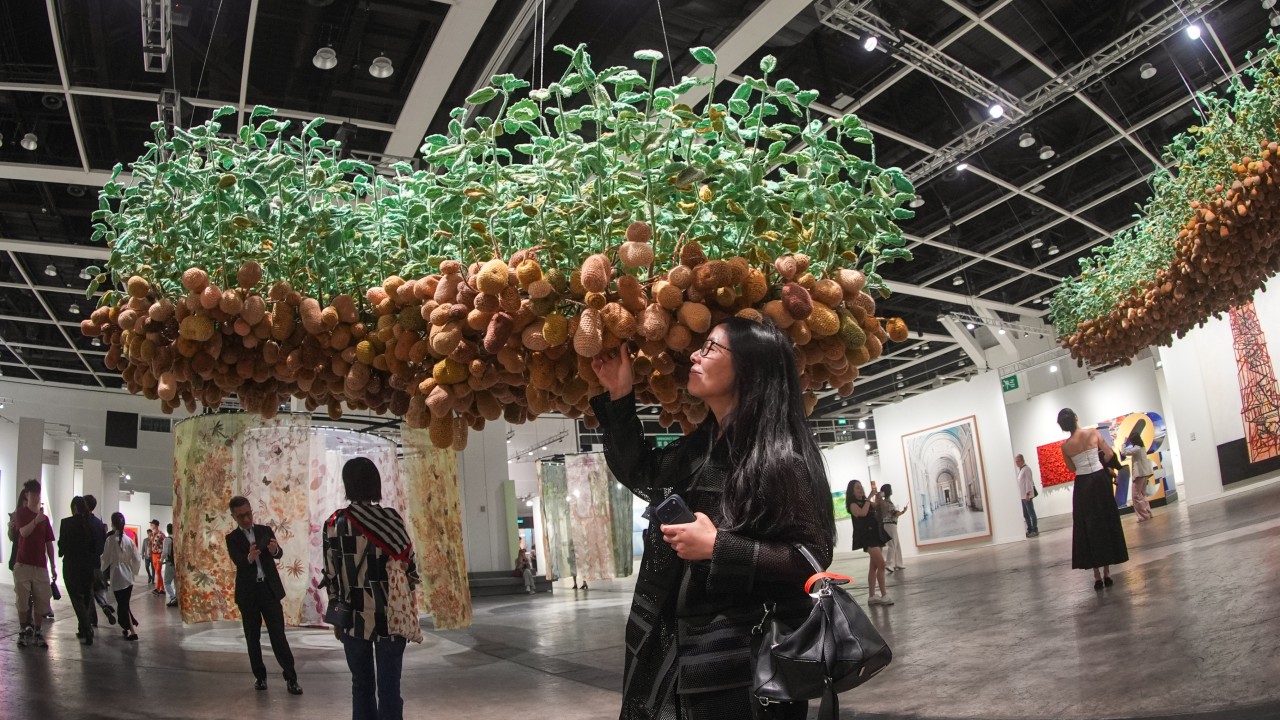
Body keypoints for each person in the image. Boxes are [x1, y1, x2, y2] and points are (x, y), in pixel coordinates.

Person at [590, 317, 836, 720]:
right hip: (669, 648)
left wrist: (719, 546)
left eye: (710, 348)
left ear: (750, 367)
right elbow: (642, 472)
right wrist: (619, 394)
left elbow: (811, 557)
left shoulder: (781, 459)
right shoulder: (701, 447)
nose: (694, 355)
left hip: (740, 663)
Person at [322, 457, 420, 720]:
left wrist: (337, 617)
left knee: (361, 686)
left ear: (347, 485)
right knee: (390, 689)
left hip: (352, 618)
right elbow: (410, 568)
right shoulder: (391, 519)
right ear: (376, 483)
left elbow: (330, 575)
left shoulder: (334, 523)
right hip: (390, 617)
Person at [226, 496, 302, 695]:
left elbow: (278, 553)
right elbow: (238, 560)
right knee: (253, 637)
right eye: (240, 516)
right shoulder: (232, 538)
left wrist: (275, 550)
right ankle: (260, 677)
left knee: (279, 636)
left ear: (251, 511)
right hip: (248, 594)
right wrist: (249, 557)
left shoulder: (265, 530)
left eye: (248, 514)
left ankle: (291, 678)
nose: (246, 519)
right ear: (233, 517)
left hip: (269, 591)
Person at [1058, 408, 1129, 589]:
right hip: (1100, 480)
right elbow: (1109, 454)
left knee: (1089, 527)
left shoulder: (1065, 447)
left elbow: (1072, 469)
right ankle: (1107, 573)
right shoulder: (1093, 433)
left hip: (1083, 485)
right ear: (1076, 417)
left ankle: (1096, 575)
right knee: (1105, 521)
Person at [11, 479, 57, 648]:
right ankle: (23, 631)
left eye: (38, 494)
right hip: (23, 564)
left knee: (41, 600)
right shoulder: (21, 513)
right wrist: (36, 520)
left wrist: (53, 565)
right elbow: (23, 532)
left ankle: (38, 631)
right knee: (22, 600)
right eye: (33, 494)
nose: (36, 497)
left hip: (40, 566)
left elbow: (49, 543)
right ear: (27, 495)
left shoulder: (44, 519)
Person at [58, 497, 99, 645]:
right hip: (87, 567)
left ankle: (86, 628)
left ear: (74, 507)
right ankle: (83, 628)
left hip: (71, 566)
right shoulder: (91, 524)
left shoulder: (66, 523)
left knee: (76, 598)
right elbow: (94, 548)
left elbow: (62, 547)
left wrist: (62, 550)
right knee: (86, 598)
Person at [847, 480, 892, 605]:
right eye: (857, 488)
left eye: (861, 487)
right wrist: (869, 498)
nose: (860, 489)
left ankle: (872, 596)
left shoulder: (866, 501)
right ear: (852, 491)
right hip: (867, 538)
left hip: (876, 535)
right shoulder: (852, 504)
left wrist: (878, 498)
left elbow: (878, 507)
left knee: (874, 566)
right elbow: (862, 513)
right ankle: (884, 594)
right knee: (881, 564)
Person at [100, 511, 141, 641]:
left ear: (113, 524)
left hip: (117, 577)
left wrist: (101, 568)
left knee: (123, 605)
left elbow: (105, 558)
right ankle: (128, 627)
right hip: (128, 576)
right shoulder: (129, 540)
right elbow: (137, 558)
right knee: (124, 604)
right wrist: (134, 571)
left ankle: (132, 630)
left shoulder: (110, 540)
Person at [84, 495, 117, 627]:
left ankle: (93, 619)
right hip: (98, 564)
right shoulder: (99, 523)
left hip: (87, 564)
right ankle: (104, 605)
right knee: (99, 589)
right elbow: (104, 544)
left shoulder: (85, 522)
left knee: (89, 592)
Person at [1121, 425, 1154, 522]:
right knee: (1142, 495)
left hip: (1139, 474)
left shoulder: (1136, 449)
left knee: (1136, 496)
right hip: (1144, 473)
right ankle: (1148, 513)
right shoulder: (1142, 448)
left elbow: (1123, 453)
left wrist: (1123, 444)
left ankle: (1143, 516)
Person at [879, 483, 908, 572]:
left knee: (896, 544)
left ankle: (898, 563)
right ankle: (889, 564)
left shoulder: (887, 502)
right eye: (890, 489)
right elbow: (894, 513)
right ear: (888, 491)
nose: (892, 490)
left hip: (891, 525)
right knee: (892, 545)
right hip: (890, 525)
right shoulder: (887, 503)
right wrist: (903, 511)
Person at [1015, 454, 1040, 537]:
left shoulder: (1026, 469)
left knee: (1031, 513)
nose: (1016, 463)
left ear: (1022, 460)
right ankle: (1029, 529)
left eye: (1018, 461)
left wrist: (1028, 494)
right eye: (1016, 461)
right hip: (1022, 496)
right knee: (1026, 514)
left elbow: (1029, 482)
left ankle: (1034, 530)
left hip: (1026, 496)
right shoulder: (1021, 470)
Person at [162, 522, 178, 606]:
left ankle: (173, 597)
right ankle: (177, 597)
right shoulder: (177, 539)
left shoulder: (167, 540)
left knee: (167, 582)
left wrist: (161, 560)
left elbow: (165, 552)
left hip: (170, 563)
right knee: (176, 582)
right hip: (177, 563)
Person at [149, 519, 166, 595]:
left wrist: (162, 552)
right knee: (157, 572)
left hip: (158, 555)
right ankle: (162, 589)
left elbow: (164, 544)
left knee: (158, 571)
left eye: (152, 524)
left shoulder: (161, 534)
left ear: (156, 525)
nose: (151, 526)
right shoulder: (152, 534)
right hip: (153, 555)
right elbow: (151, 544)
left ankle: (157, 588)